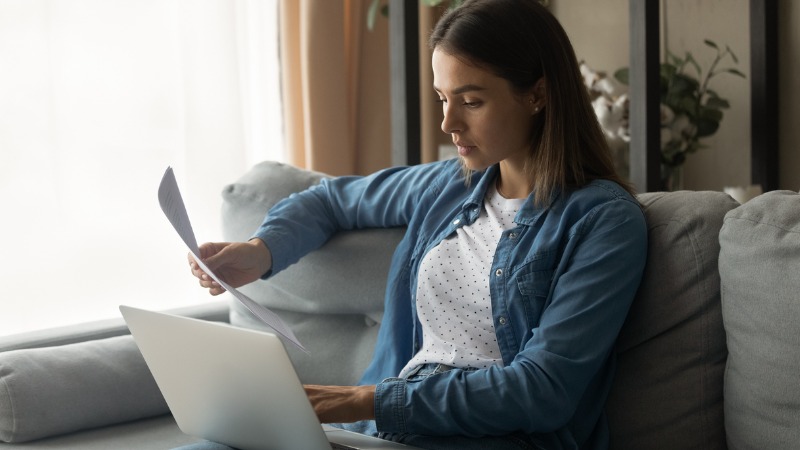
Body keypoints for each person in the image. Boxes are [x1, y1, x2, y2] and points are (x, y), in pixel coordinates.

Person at [186, 0, 647, 448]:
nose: (448, 122)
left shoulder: (603, 221)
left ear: (538, 95)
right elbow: (329, 201)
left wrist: (353, 401)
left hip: (500, 437)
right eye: (443, 98)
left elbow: (541, 390)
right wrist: (260, 251)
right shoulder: (447, 185)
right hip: (386, 431)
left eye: (470, 100)